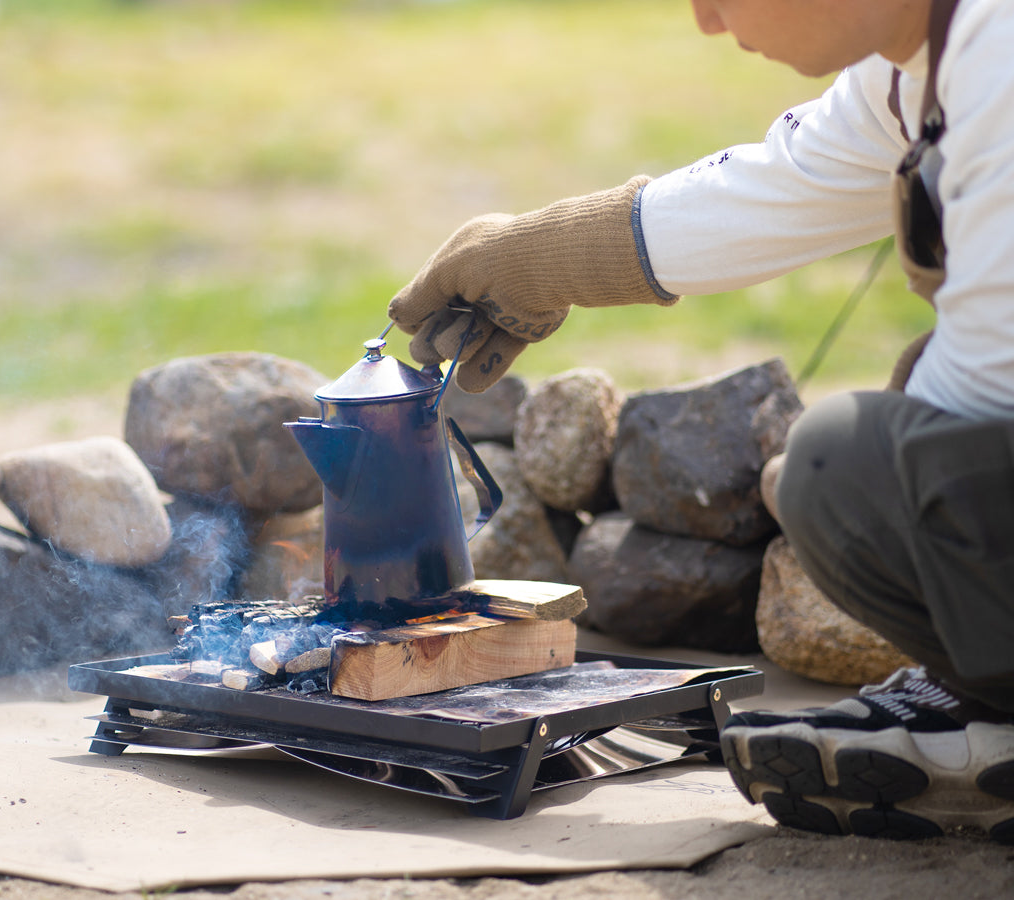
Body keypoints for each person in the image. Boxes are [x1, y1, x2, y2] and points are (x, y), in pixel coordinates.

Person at [387, 0, 1014, 841]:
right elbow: (777, 190)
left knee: (846, 469)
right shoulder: (916, 63)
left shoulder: (999, 55)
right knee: (844, 470)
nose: (708, 20)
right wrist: (535, 257)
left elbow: (984, 385)